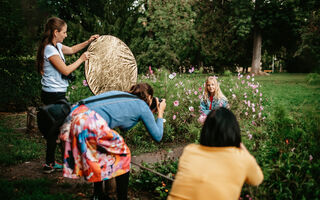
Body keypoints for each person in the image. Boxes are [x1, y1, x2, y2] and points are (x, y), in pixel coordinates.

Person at [59, 83, 166, 200]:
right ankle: (122, 198)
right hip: (89, 120)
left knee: (100, 153)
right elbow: (157, 136)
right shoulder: (142, 106)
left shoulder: (121, 95)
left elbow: (124, 126)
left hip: (73, 114)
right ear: (149, 97)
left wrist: (147, 112)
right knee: (124, 154)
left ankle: (98, 195)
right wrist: (160, 113)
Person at [36, 16, 99, 174]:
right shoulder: (50, 49)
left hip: (56, 93)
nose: (66, 35)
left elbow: (71, 49)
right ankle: (69, 162)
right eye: (64, 32)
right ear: (56, 32)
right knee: (64, 127)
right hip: (53, 95)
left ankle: (50, 163)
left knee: (55, 129)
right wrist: (82, 59)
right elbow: (65, 70)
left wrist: (88, 42)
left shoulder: (56, 46)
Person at [168, 108, 263, 200]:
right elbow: (257, 179)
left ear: (205, 130)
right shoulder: (241, 158)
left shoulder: (190, 151)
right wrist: (243, 149)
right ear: (234, 131)